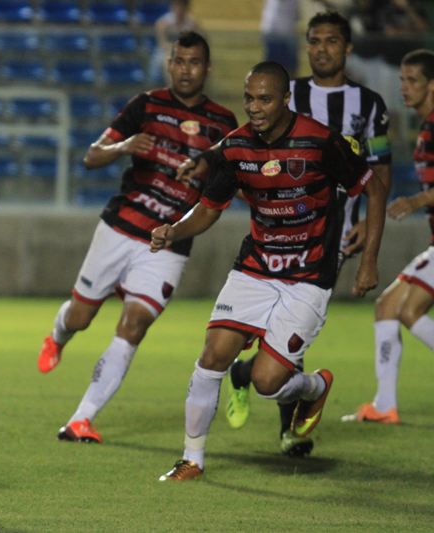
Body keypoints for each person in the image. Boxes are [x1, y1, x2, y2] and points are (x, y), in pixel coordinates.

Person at [150, 61, 386, 481]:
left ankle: (314, 388)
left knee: (266, 382)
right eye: (248, 98)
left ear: (285, 100)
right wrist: (174, 230)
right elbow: (208, 209)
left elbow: (374, 186)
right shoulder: (235, 148)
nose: (254, 107)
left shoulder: (321, 143)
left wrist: (368, 260)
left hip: (309, 276)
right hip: (256, 268)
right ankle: (192, 459)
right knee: (212, 356)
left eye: (265, 99)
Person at [37, 31, 238, 444]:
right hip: (120, 228)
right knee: (80, 316)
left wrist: (208, 173)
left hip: (168, 243)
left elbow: (228, 189)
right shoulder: (146, 105)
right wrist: (125, 146)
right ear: (170, 64)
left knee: (134, 325)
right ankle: (58, 336)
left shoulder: (224, 126)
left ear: (208, 68)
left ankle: (81, 419)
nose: (186, 69)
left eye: (194, 62)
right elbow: (92, 156)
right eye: (179, 61)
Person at [223, 11, 393, 457]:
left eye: (332, 41)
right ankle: (288, 425)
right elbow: (244, 145)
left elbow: (379, 173)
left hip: (333, 235)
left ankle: (252, 381)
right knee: (283, 336)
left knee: (289, 333)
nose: (322, 49)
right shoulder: (284, 92)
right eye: (314, 41)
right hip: (277, 233)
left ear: (347, 48)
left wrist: (368, 242)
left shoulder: (370, 105)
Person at [342, 49, 434, 424]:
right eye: (401, 80)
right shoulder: (423, 130)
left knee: (409, 310)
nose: (404, 88)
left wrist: (419, 198)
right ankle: (383, 405)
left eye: (412, 80)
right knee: (388, 307)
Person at [150, 1, 201, 83]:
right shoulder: (163, 23)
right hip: (166, 51)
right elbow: (162, 43)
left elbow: (196, 41)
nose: (180, 9)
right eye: (177, 6)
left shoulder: (192, 23)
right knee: (169, 60)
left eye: (182, 6)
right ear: (172, 7)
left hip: (186, 51)